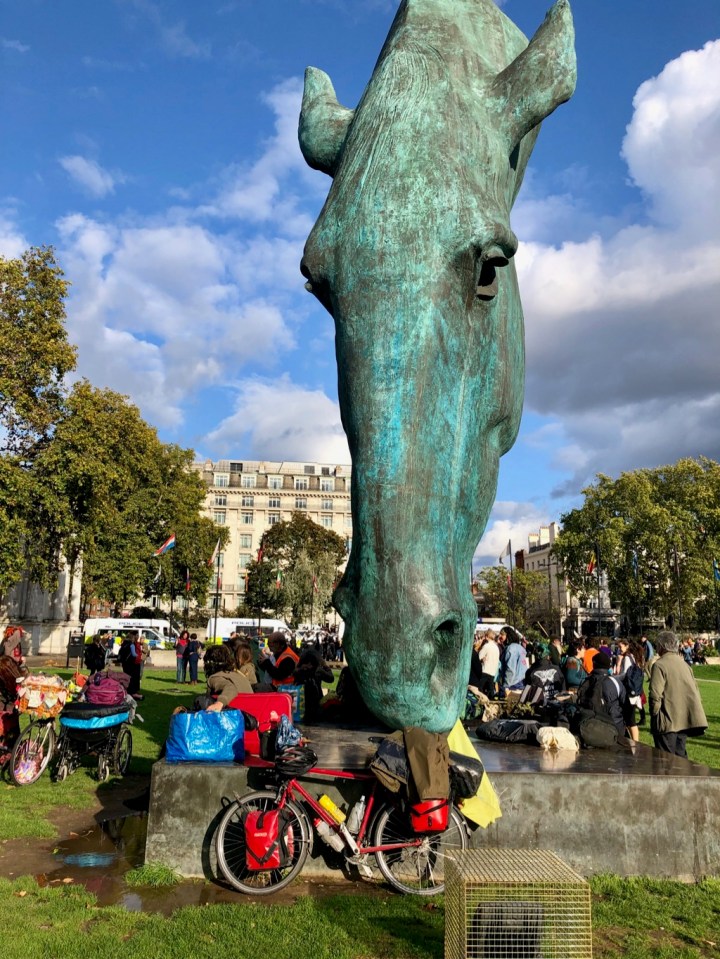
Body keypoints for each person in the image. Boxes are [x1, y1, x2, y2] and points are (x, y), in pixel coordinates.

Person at [648, 630, 707, 758]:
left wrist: (654, 712)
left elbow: (655, 694)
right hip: (683, 720)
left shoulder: (659, 665)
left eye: (657, 645)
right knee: (680, 760)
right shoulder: (685, 665)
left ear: (662, 646)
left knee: (665, 760)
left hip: (667, 720)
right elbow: (695, 691)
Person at [576, 651, 626, 738]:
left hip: (590, 730)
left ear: (594, 665)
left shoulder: (586, 682)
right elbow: (625, 703)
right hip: (614, 728)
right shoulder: (614, 682)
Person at [614, 638, 645, 741]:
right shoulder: (634, 657)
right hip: (633, 691)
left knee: (630, 720)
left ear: (627, 646)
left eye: (620, 647)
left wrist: (613, 677)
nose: (619, 649)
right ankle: (633, 741)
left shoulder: (627, 658)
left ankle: (635, 742)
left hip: (627, 691)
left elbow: (624, 674)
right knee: (629, 718)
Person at [118, 630, 143, 699]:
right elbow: (134, 654)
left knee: (126, 677)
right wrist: (138, 655)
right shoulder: (131, 644)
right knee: (132, 678)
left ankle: (127, 691)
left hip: (125, 663)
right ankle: (132, 692)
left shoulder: (124, 643)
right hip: (131, 664)